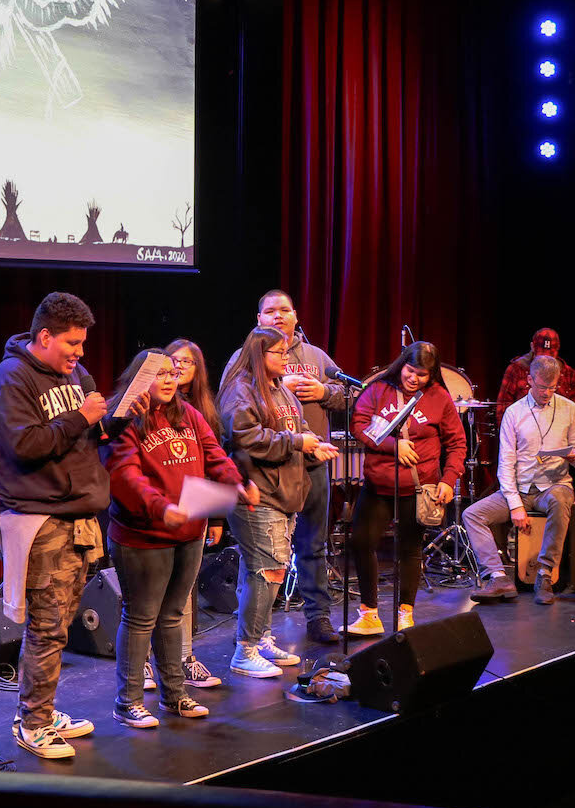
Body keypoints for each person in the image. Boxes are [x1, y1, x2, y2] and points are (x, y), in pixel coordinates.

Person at [0, 291, 112, 759]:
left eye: (82, 344)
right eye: (72, 343)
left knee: (60, 625)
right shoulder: (10, 379)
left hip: (77, 515)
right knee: (47, 626)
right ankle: (32, 723)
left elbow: (90, 436)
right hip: (41, 520)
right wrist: (81, 416)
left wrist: (112, 420)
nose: (80, 353)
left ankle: (42, 709)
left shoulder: (75, 375)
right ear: (44, 336)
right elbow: (26, 446)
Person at [104, 349, 249, 728]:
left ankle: (174, 695)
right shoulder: (125, 420)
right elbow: (125, 475)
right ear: (139, 379)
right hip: (143, 535)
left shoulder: (189, 414)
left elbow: (215, 454)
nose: (169, 380)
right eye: (158, 374)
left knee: (172, 616)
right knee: (140, 617)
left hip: (189, 532)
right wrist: (160, 507)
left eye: (172, 373)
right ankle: (128, 701)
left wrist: (236, 482)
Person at [222, 290, 350, 642]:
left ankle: (317, 616)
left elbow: (350, 395)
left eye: (284, 310)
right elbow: (235, 425)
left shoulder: (316, 356)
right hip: (270, 471)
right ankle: (255, 633)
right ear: (259, 320)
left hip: (312, 462)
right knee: (265, 557)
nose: (278, 316)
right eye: (269, 311)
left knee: (313, 543)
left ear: (296, 317)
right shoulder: (244, 361)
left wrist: (324, 392)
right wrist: (277, 386)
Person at [346, 342, 466, 635]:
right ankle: (369, 614)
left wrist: (448, 480)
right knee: (362, 542)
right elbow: (359, 425)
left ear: (432, 374)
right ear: (402, 365)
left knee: (410, 550)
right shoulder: (378, 390)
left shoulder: (439, 398)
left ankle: (405, 614)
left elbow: (457, 443)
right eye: (410, 371)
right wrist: (392, 446)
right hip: (379, 484)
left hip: (419, 487)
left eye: (422, 375)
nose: (414, 379)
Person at [463, 356, 575, 605]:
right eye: (542, 387)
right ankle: (499, 578)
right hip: (519, 489)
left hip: (553, 485)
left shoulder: (569, 409)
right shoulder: (514, 413)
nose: (547, 393)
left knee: (561, 500)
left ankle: (544, 574)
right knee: (472, 514)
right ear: (530, 380)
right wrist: (515, 504)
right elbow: (506, 464)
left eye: (552, 388)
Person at [147, 337, 229, 691]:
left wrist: (215, 516)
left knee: (183, 594)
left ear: (198, 370)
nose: (178, 369)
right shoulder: (148, 408)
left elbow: (212, 467)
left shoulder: (202, 412)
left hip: (193, 514)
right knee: (150, 596)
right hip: (155, 513)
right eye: (171, 363)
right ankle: (148, 663)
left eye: (186, 363)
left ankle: (183, 656)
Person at [493, 327, 575, 413]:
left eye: (550, 356)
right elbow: (503, 405)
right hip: (525, 427)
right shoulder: (516, 370)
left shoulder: (569, 374)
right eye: (541, 355)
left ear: (558, 350)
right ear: (532, 347)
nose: (545, 361)